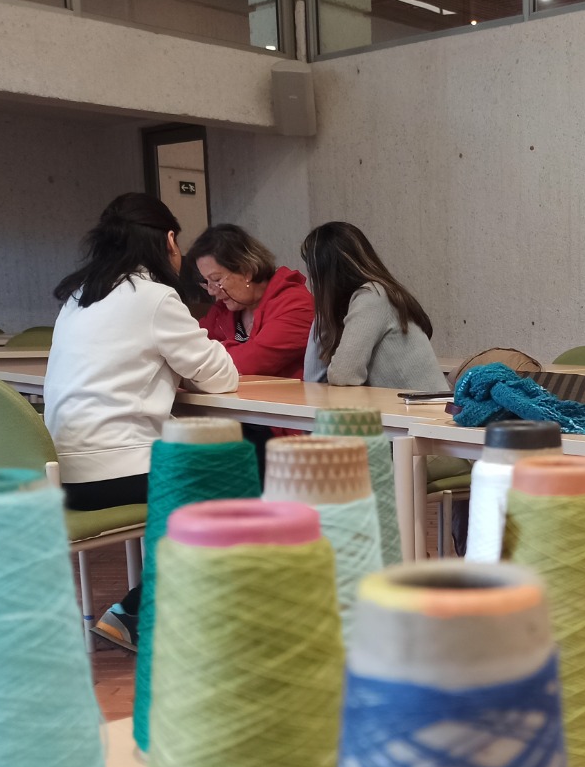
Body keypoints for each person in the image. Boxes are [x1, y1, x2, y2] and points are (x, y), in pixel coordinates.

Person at [45, 193, 238, 648]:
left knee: (194, 476)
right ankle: (148, 613)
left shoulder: (77, 298)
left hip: (62, 472)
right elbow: (222, 376)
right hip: (116, 471)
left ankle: (154, 609)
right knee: (228, 481)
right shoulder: (154, 297)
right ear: (170, 240)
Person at [299, 221, 447, 390]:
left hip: (424, 413)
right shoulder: (373, 295)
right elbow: (314, 379)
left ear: (328, 273)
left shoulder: (372, 297)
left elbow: (344, 375)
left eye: (312, 271)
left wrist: (323, 309)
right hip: (408, 411)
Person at [190, 224, 314, 378]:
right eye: (206, 282)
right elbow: (189, 348)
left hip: (286, 400)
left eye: (216, 280)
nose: (210, 290)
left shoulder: (296, 304)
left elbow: (253, 361)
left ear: (247, 270)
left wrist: (210, 351)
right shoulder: (224, 308)